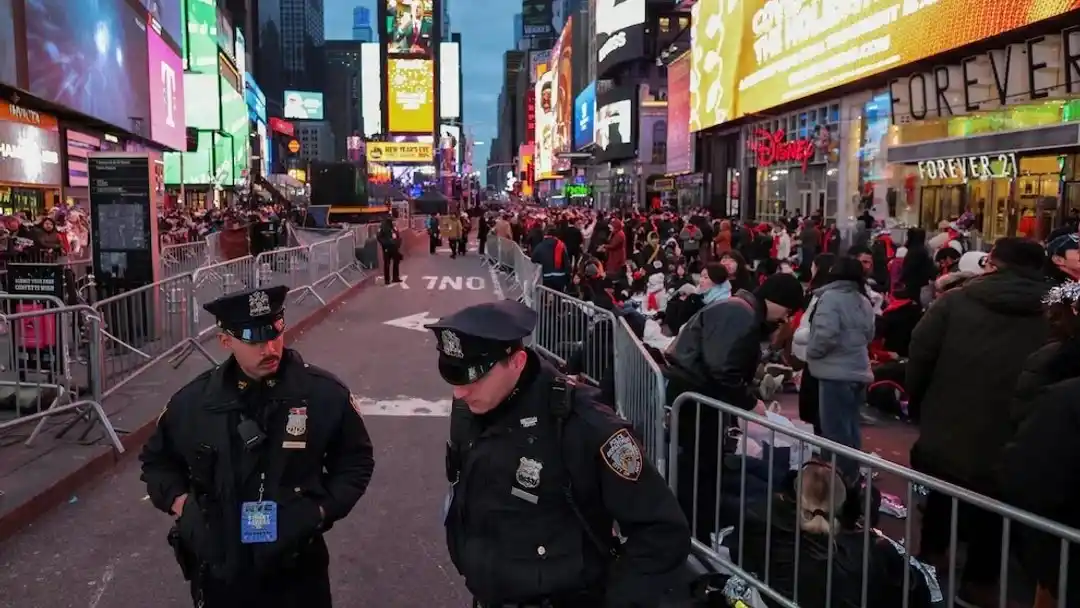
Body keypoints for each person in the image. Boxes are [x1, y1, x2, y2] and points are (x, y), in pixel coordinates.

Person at [428, 300, 690, 607]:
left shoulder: (585, 425)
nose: (460, 392)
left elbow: (662, 533)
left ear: (516, 362)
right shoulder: (471, 407)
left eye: (475, 377)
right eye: (455, 377)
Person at [140, 285, 376, 608]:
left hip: (296, 574)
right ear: (226, 341)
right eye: (254, 339)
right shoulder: (194, 403)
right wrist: (183, 506)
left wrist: (319, 510)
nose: (270, 348)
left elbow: (355, 461)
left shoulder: (323, 395)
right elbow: (157, 462)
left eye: (275, 332)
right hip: (221, 578)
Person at [906, 237, 1048, 607]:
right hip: (1016, 435)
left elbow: (919, 354)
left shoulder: (955, 302)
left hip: (949, 424)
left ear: (994, 264)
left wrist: (919, 404)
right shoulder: (1057, 312)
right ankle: (979, 585)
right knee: (994, 517)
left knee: (941, 500)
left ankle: (930, 569)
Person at [803, 256, 876, 480]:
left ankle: (837, 480)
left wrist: (812, 353)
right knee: (851, 428)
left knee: (834, 431)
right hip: (858, 370)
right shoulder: (863, 300)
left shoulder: (830, 298)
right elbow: (870, 334)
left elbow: (825, 334)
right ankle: (851, 477)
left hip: (834, 372)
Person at [377, 218, 403, 285]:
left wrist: (398, 242)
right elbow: (379, 237)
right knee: (387, 264)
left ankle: (395, 277)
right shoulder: (383, 226)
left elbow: (397, 234)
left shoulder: (393, 226)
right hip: (387, 248)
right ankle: (387, 279)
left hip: (394, 247)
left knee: (396, 262)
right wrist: (386, 243)